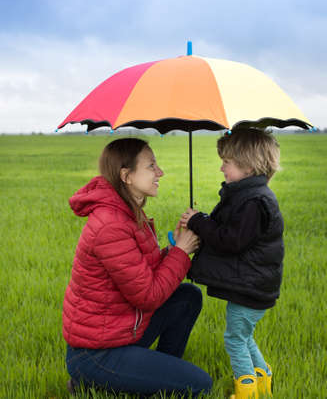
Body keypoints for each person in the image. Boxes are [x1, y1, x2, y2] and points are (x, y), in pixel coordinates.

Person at [63, 137, 212, 398]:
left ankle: (153, 376)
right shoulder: (111, 224)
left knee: (187, 297)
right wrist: (180, 252)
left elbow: (142, 272)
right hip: (97, 353)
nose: (160, 172)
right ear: (126, 176)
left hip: (120, 331)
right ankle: (92, 381)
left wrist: (173, 249)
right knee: (199, 384)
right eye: (151, 166)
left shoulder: (127, 211)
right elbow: (147, 295)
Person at [181, 128, 284, 399]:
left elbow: (231, 241)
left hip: (250, 288)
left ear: (247, 166)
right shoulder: (248, 196)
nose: (221, 167)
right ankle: (263, 382)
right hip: (253, 286)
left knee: (235, 339)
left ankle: (246, 392)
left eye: (226, 162)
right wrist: (202, 220)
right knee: (245, 337)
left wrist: (197, 222)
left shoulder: (254, 201)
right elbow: (231, 232)